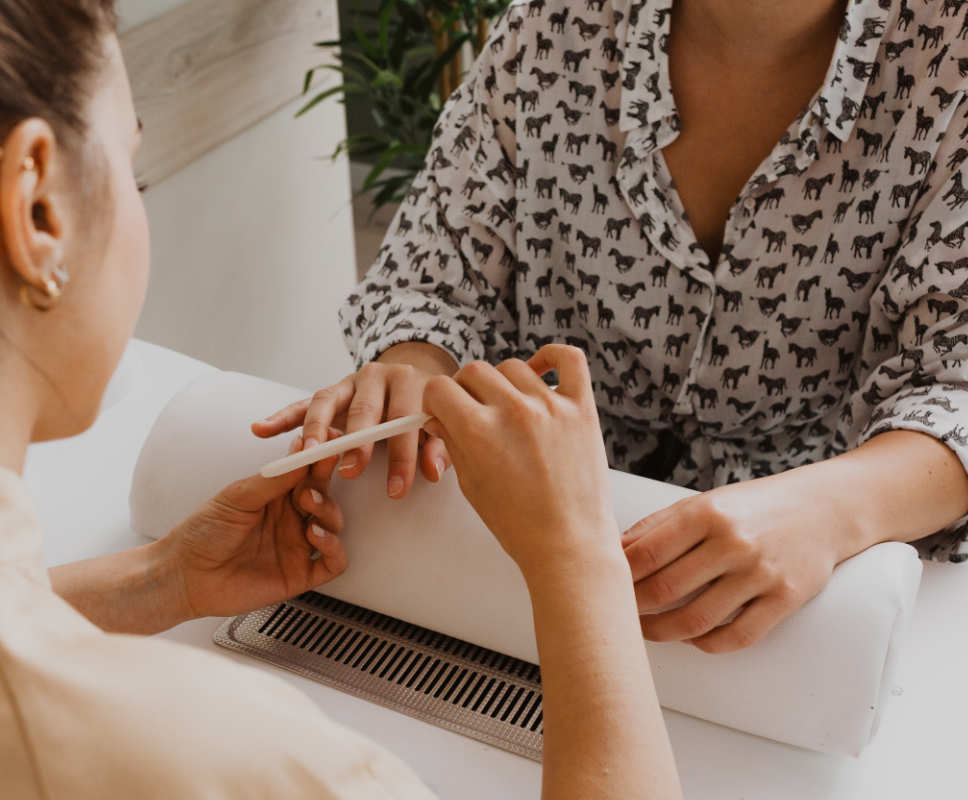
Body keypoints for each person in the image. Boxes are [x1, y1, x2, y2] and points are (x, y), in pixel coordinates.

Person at [0, 2, 681, 797]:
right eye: (133, 169)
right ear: (35, 209)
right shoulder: (239, 763)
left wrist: (157, 580)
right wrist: (577, 560)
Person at [258, 0, 968, 654]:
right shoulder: (552, 22)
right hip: (506, 561)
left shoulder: (950, 52)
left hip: (817, 606)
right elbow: (432, 278)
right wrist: (412, 376)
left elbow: (955, 384)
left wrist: (835, 508)